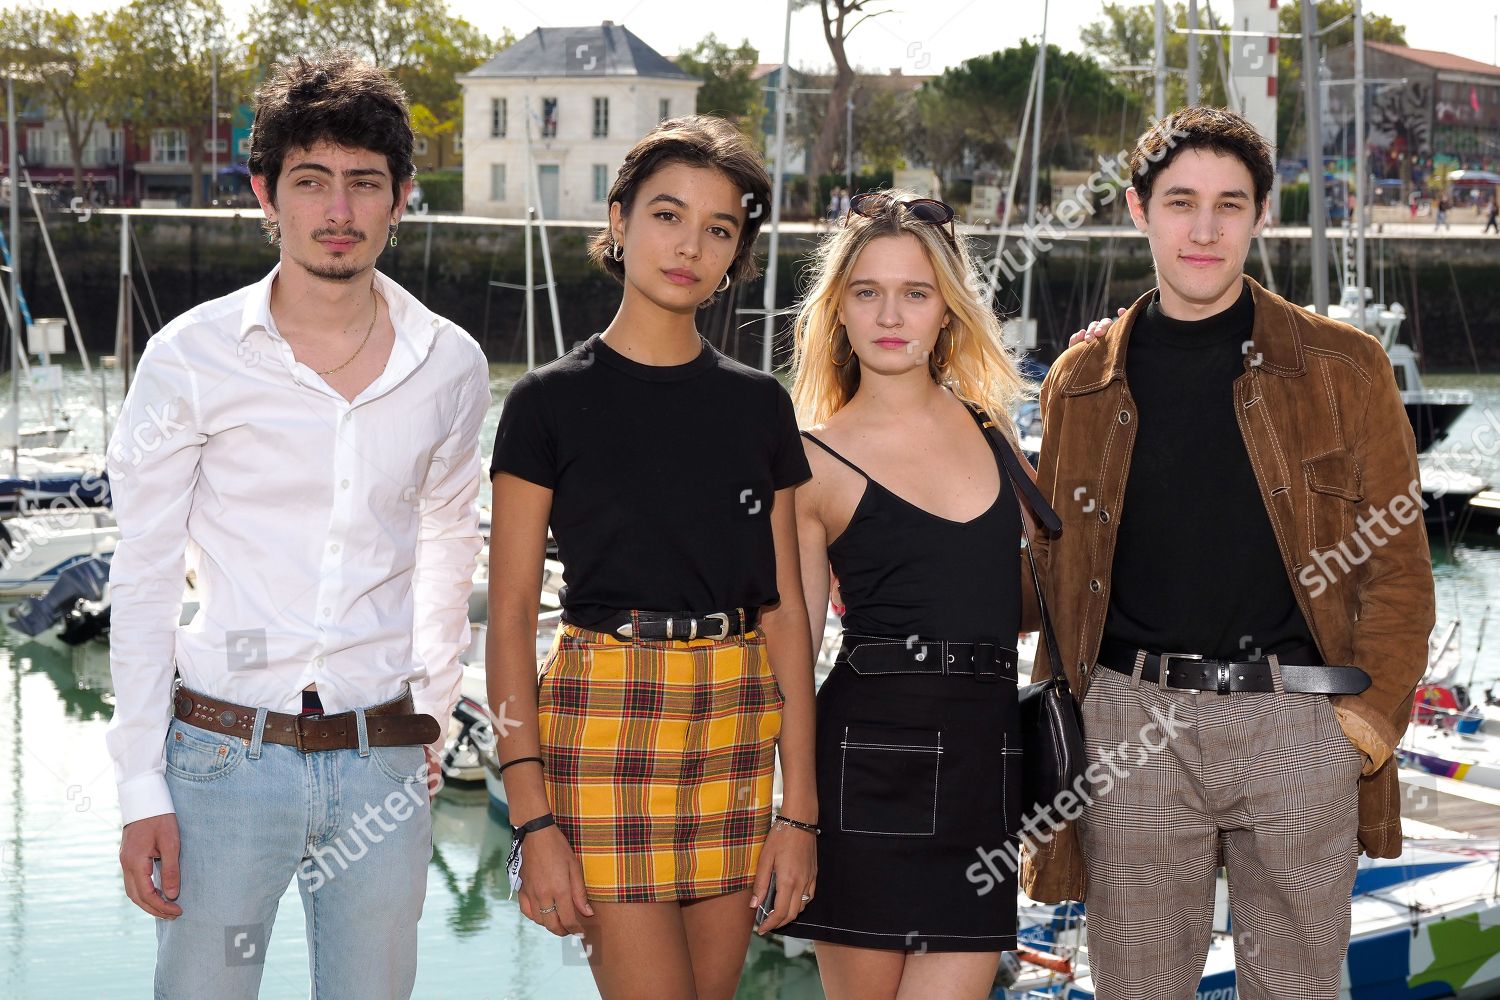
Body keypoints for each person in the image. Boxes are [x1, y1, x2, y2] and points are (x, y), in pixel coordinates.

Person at [1023, 106, 1435, 1000]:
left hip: (1299, 722)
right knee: (1134, 988)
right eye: (1180, 202)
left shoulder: (1347, 368)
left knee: (1296, 990)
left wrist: (1364, 729)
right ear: (1138, 210)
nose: (1203, 228)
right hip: (1132, 720)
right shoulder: (1082, 380)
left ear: (1259, 216)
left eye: (1228, 204)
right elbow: (1047, 565)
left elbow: (1398, 569)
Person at [106, 52, 490, 999]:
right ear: (265, 194)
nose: (339, 211)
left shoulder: (450, 364)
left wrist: (432, 713)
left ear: (402, 198)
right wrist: (138, 787)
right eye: (311, 182)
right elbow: (146, 575)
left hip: (382, 760)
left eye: (365, 184)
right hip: (219, 756)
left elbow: (449, 545)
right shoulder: (191, 358)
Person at [486, 114, 819, 1000]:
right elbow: (513, 614)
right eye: (668, 216)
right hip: (603, 717)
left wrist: (802, 814)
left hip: (737, 718)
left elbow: (785, 612)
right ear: (620, 219)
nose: (691, 246)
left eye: (721, 229)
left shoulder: (760, 408)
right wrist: (530, 819)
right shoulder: (545, 404)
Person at [777, 190, 1043, 999]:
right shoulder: (809, 459)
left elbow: (1038, 604)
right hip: (864, 775)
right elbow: (791, 657)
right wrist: (796, 816)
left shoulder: (994, 434)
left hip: (985, 774)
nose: (891, 314)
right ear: (840, 313)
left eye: (916, 292)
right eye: (867, 292)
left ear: (948, 312)